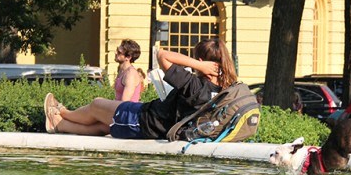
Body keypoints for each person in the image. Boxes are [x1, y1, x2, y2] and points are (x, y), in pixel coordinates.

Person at [44, 38, 231, 139]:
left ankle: (61, 112)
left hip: (143, 121)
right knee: (102, 126)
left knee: (96, 105)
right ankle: (59, 124)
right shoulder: (222, 88)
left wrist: (201, 67)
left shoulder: (195, 85)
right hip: (148, 116)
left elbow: (163, 55)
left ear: (200, 61)